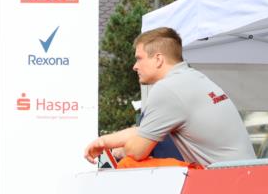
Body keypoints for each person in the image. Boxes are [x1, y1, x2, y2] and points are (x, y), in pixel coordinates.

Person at [83, 27, 254, 168]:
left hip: (226, 183)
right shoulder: (192, 78)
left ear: (158, 59)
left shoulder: (167, 89)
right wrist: (105, 141)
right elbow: (146, 130)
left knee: (129, 164)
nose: (135, 66)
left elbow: (136, 151)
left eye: (139, 59)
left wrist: (120, 150)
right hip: (243, 175)